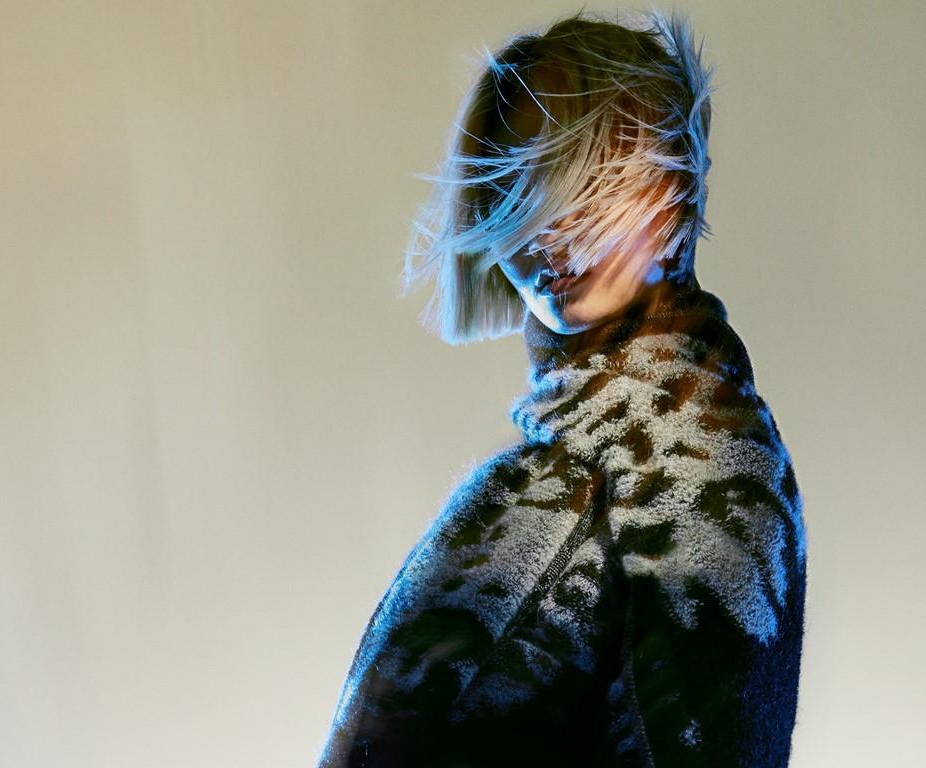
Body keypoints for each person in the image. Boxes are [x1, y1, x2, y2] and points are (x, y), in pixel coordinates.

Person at [317, 8, 808, 767]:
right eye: (517, 189)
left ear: (674, 185)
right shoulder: (643, 457)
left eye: (588, 180)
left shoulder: (677, 471)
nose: (549, 236)